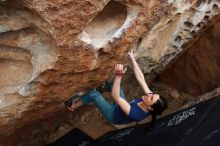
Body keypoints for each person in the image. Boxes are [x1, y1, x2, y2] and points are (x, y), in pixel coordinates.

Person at [64, 51, 167, 128]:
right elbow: (141, 78)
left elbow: (116, 96)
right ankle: (101, 89)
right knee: (113, 85)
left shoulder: (136, 114)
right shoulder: (149, 100)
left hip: (113, 115)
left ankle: (72, 106)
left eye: (152, 97)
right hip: (120, 107)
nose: (150, 94)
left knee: (93, 94)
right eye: (153, 94)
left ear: (151, 108)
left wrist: (118, 75)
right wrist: (132, 58)